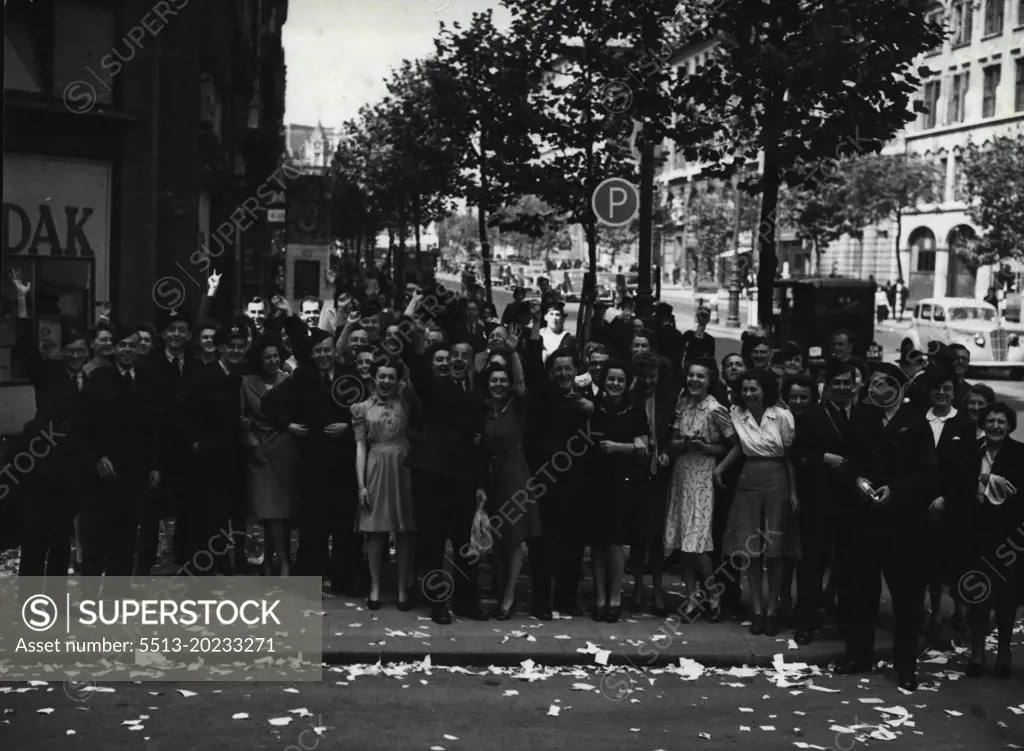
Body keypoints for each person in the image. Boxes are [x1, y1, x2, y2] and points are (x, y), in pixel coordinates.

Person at [836, 362, 936, 691]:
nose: (877, 389)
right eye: (873, 383)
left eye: (884, 384)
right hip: (864, 520)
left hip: (904, 524)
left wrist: (897, 490)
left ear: (899, 388)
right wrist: (858, 480)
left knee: (906, 597)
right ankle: (858, 654)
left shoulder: (916, 423)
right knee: (860, 591)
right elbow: (848, 463)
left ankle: (906, 665)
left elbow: (927, 474)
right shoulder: (862, 419)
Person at [265, 329, 363, 593]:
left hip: (344, 459)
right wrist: (288, 425)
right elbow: (270, 402)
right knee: (313, 522)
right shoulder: (303, 377)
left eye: (327, 350)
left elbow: (367, 409)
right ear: (312, 353)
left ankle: (344, 579)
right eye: (318, 351)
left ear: (335, 350)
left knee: (344, 522)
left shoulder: (349, 376)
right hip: (312, 459)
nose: (323, 355)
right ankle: (311, 578)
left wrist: (348, 425)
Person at [406, 336, 489, 624]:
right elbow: (418, 375)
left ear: (472, 362)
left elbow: (480, 437)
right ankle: (437, 603)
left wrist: (479, 483)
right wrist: (418, 343)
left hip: (464, 480)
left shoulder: (476, 392)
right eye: (452, 354)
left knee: (465, 545)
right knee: (434, 544)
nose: (456, 360)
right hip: (435, 478)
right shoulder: (434, 386)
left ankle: (467, 601)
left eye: (463, 356)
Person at [714, 369, 798, 637]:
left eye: (754, 389)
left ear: (765, 391)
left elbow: (789, 456)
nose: (749, 394)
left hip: (777, 480)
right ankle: (758, 610)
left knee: (774, 550)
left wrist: (794, 491)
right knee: (750, 550)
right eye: (745, 389)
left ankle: (773, 610)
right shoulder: (736, 413)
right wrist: (720, 469)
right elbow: (740, 446)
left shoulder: (782, 416)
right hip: (749, 478)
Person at [81, 327, 162, 584]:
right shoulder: (99, 379)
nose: (127, 350)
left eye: (132, 345)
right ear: (114, 349)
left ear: (140, 349)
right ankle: (90, 597)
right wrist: (98, 455)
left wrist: (155, 465)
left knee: (126, 534)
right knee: (97, 533)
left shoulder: (148, 380)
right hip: (104, 468)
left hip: (136, 468)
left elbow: (156, 426)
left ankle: (117, 595)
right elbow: (86, 423)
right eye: (122, 345)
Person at [524, 341, 595, 620]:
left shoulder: (585, 401)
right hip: (546, 481)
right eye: (559, 369)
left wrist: (588, 410)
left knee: (573, 545)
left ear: (575, 371)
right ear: (551, 373)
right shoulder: (541, 397)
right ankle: (542, 601)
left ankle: (567, 599)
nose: (564, 374)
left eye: (569, 368)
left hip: (577, 483)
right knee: (544, 545)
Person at [666, 358, 732, 621]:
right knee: (684, 541)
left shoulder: (715, 409)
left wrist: (707, 449)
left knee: (699, 543)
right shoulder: (682, 405)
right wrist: (683, 443)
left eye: (700, 377)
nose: (694, 380)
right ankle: (692, 597)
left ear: (709, 380)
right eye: (691, 375)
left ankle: (713, 593)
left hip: (703, 478)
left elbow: (732, 445)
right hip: (682, 475)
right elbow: (672, 442)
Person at [182, 319, 250, 575]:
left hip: (238, 454)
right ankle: (211, 563)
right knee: (212, 512)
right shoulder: (205, 376)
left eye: (240, 346)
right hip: (211, 456)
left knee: (235, 510)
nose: (235, 350)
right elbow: (184, 412)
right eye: (231, 346)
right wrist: (195, 441)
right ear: (220, 348)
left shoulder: (244, 376)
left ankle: (234, 559)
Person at [478, 359, 542, 620]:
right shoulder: (482, 410)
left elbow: (521, 382)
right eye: (494, 380)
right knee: (496, 536)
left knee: (515, 537)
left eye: (503, 380)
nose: (499, 384)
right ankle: (499, 584)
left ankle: (509, 594)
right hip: (491, 474)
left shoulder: (516, 406)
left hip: (515, 473)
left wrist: (515, 352)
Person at [966, 403, 1024, 678]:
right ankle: (976, 653)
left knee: (1006, 599)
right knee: (977, 596)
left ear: (1010, 426)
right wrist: (984, 479)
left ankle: (1003, 653)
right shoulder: (969, 451)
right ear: (983, 423)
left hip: (1008, 540)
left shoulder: (1020, 453)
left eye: (1002, 422)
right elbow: (957, 482)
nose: (996, 426)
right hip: (976, 534)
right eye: (991, 421)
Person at [354, 356, 416, 610]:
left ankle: (402, 589)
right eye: (382, 376)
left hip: (403, 467)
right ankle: (375, 587)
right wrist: (361, 485)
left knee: (403, 533)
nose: (386, 381)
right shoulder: (361, 409)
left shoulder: (405, 401)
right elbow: (360, 447)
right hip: (376, 467)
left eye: (391, 376)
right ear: (373, 377)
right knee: (375, 533)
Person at [586, 360, 645, 623]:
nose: (615, 384)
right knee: (597, 543)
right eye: (611, 379)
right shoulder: (594, 407)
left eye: (620, 380)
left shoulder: (634, 409)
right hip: (595, 479)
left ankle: (615, 597)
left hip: (622, 480)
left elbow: (644, 445)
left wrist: (618, 447)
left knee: (615, 542)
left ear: (627, 382)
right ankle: (599, 596)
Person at [921, 364, 976, 648]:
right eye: (937, 389)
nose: (941, 394)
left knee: (955, 560)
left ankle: (961, 612)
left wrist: (946, 497)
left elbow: (967, 468)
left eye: (948, 390)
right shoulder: (920, 420)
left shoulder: (964, 424)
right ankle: (934, 615)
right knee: (929, 562)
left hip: (953, 504)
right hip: (923, 504)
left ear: (955, 393)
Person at [240, 334, 297, 576]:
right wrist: (248, 436)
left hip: (284, 449)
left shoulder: (289, 381)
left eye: (276, 356)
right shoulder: (246, 383)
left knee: (281, 512)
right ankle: (279, 562)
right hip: (260, 451)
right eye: (267, 357)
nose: (272, 361)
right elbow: (240, 416)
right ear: (259, 360)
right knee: (268, 511)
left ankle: (275, 561)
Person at [629, 354, 675, 616]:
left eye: (652, 376)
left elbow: (672, 432)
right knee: (638, 535)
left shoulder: (668, 400)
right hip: (635, 472)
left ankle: (657, 589)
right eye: (644, 376)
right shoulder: (631, 398)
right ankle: (637, 587)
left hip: (659, 472)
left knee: (657, 535)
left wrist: (667, 450)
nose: (648, 381)